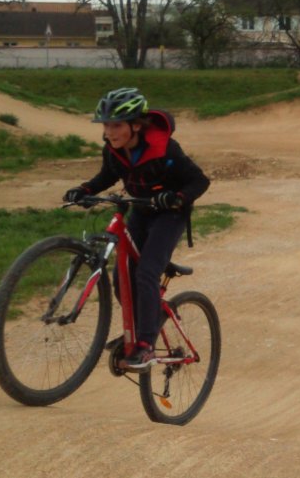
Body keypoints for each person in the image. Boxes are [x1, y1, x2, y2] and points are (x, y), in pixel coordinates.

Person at [62, 87, 210, 371]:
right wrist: (84, 190)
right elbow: (107, 176)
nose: (109, 132)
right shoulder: (113, 150)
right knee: (122, 277)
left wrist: (177, 197)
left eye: (116, 125)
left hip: (169, 216)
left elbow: (199, 181)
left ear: (136, 125)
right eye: (105, 125)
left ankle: (145, 344)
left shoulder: (165, 149)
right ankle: (146, 325)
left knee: (146, 273)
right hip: (141, 211)